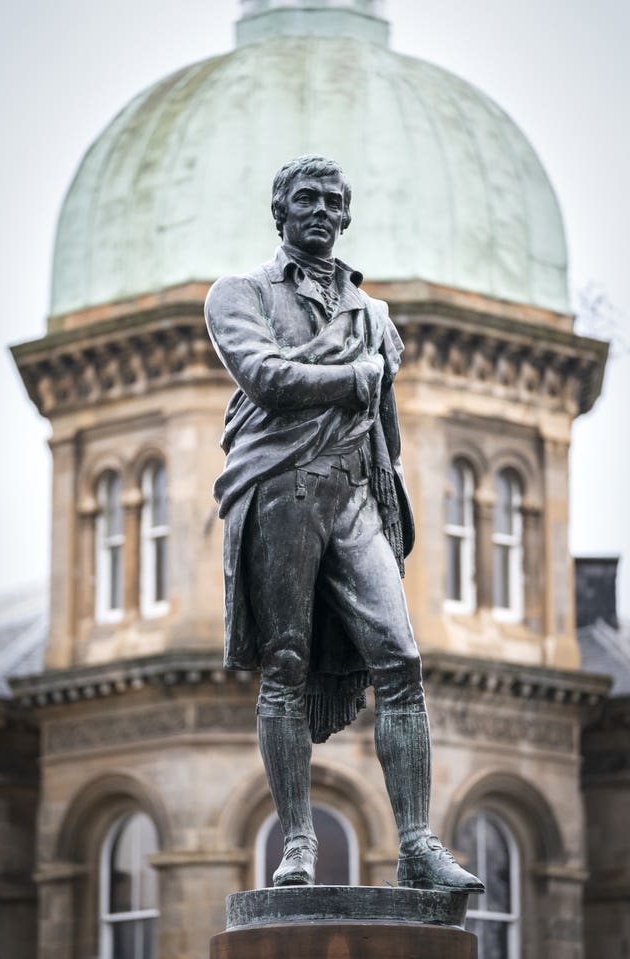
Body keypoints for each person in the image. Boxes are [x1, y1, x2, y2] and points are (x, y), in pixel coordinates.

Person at [205, 155, 483, 893]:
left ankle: (419, 841)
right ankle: (297, 842)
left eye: (334, 199)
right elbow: (264, 376)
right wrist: (353, 377)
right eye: (307, 198)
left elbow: (385, 429)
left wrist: (393, 497)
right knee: (285, 666)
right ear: (281, 211)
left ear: (346, 213)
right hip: (282, 488)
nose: (322, 209)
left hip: (355, 492)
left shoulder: (374, 314)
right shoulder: (239, 294)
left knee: (401, 657)